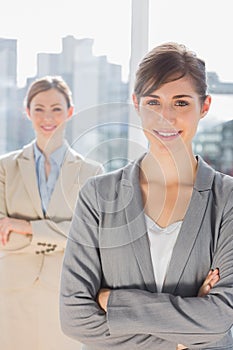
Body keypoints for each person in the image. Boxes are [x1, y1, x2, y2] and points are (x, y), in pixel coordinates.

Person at [60, 43, 233, 350]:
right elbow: (74, 317)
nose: (165, 117)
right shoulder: (98, 196)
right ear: (136, 104)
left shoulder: (227, 199)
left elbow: (220, 320)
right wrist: (183, 336)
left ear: (204, 106)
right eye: (153, 102)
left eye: (180, 103)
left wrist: (112, 301)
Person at [0, 75, 104, 350]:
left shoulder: (91, 172)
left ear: (70, 112)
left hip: (66, 293)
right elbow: (2, 233)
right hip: (12, 291)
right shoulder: (5, 168)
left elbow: (87, 237)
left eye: (57, 108)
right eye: (39, 109)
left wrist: (27, 229)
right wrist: (61, 235)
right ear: (27, 112)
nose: (48, 117)